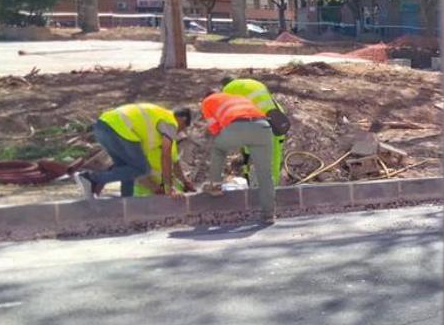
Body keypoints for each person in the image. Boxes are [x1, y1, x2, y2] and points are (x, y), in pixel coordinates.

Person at [76, 104, 193, 198]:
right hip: (119, 129)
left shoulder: (154, 125)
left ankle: (126, 202)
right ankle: (91, 178)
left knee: (128, 169)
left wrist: (183, 182)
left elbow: (174, 161)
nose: (178, 132)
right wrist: (168, 188)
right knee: (142, 169)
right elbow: (166, 155)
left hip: (102, 126)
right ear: (182, 119)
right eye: (182, 127)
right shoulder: (170, 121)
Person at [201, 92, 276, 223]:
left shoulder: (207, 101)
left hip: (237, 126)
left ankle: (216, 186)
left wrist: (228, 138)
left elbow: (214, 129)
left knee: (218, 150)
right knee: (264, 173)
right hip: (263, 126)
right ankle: (269, 215)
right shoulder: (238, 97)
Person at [220, 76, 289, 184]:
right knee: (274, 158)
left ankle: (258, 188)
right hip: (278, 119)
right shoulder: (252, 84)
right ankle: (272, 188)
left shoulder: (227, 91)